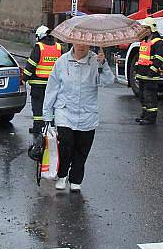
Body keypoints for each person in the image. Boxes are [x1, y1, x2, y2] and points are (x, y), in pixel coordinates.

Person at [42, 43, 115, 193]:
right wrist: (47, 113)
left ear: (89, 44)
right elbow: (52, 88)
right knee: (66, 145)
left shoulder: (96, 61)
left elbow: (108, 82)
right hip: (65, 111)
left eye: (84, 43)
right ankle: (62, 176)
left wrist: (103, 65)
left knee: (82, 148)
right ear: (73, 43)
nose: (81, 46)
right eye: (78, 42)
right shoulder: (62, 61)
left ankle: (75, 179)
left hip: (87, 113)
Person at [23, 25, 63, 135]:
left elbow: (31, 64)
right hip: (55, 84)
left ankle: (38, 128)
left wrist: (24, 78)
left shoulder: (39, 47)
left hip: (38, 84)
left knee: (38, 106)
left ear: (39, 36)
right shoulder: (58, 47)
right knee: (53, 105)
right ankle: (52, 126)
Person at [135, 18, 163, 125]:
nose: (143, 30)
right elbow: (141, 58)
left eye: (145, 28)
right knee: (142, 96)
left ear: (151, 29)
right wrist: (137, 69)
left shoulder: (158, 42)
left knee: (150, 96)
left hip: (150, 75)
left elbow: (160, 58)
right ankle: (144, 114)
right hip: (142, 74)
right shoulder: (144, 41)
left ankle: (151, 118)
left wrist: (152, 71)